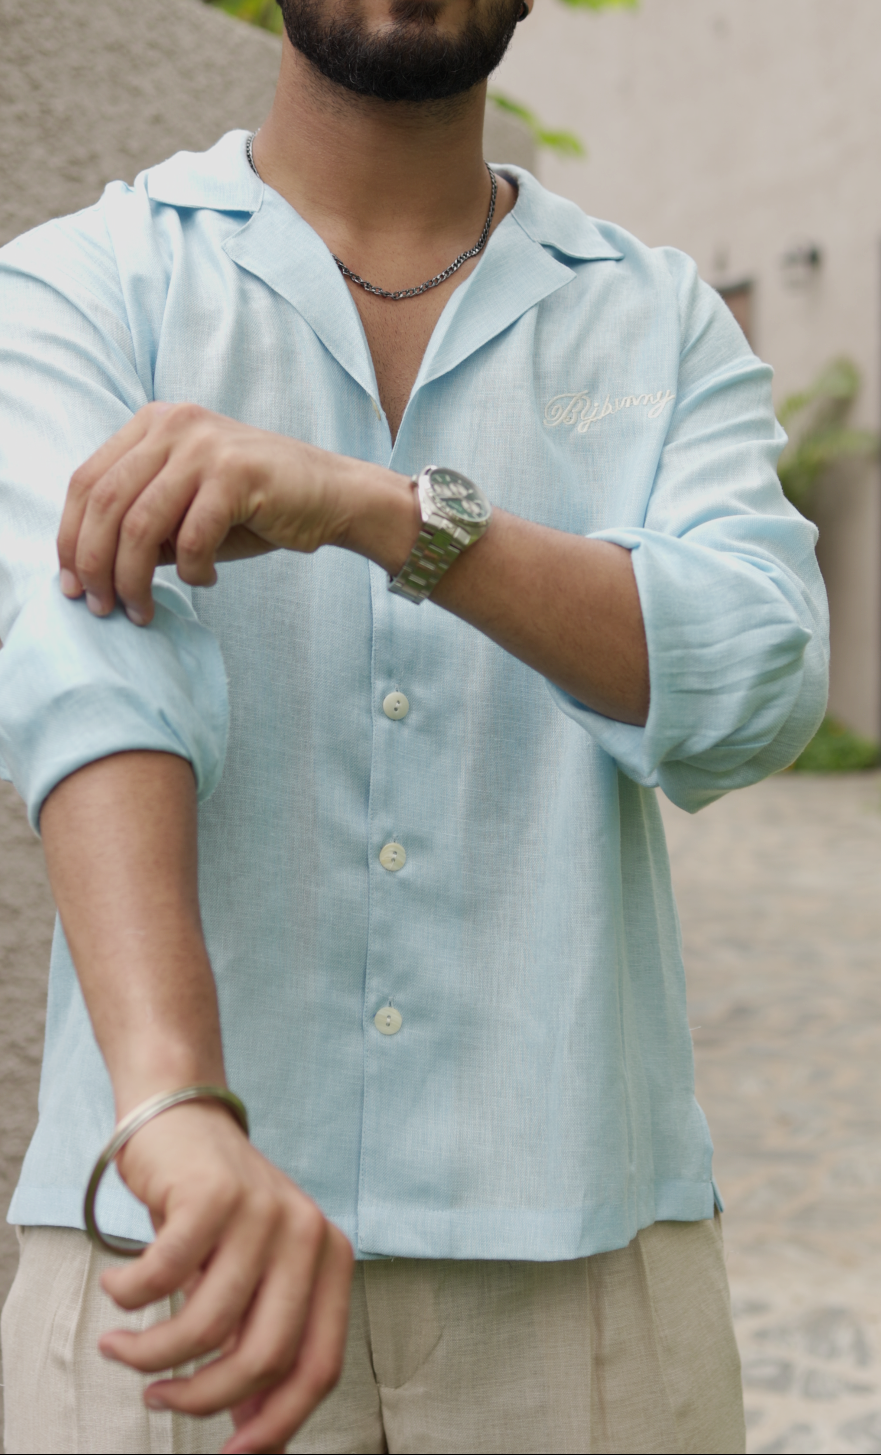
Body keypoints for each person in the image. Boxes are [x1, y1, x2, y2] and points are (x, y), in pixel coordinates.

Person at [0, 0, 827, 1449]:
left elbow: (756, 676)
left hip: (583, 1266)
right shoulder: (82, 285)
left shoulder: (656, 314)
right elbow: (84, 664)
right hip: (163, 1246)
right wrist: (178, 1100)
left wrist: (390, 516)